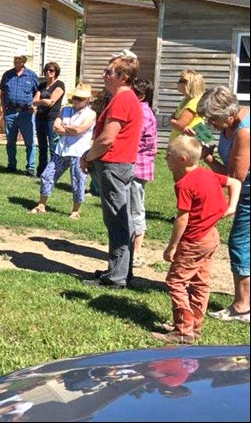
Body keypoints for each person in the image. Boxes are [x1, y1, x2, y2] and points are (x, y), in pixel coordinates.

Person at [150, 136, 240, 344]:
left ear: (181, 159)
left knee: (176, 281)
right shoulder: (206, 174)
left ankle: (183, 331)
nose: (165, 159)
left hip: (194, 240)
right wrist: (232, 206)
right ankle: (194, 327)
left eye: (168, 156)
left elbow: (182, 219)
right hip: (211, 236)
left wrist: (172, 247)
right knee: (200, 282)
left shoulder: (184, 184)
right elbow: (234, 182)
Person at [81, 54, 142, 289]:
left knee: (117, 221)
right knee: (121, 220)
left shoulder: (122, 100)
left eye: (109, 72)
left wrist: (87, 156)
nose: (104, 75)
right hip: (119, 165)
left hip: (115, 165)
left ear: (123, 77)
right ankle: (120, 271)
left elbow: (107, 138)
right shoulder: (124, 98)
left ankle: (116, 277)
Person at [197, 86, 250, 324]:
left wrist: (207, 158)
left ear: (229, 114)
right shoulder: (229, 125)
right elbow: (212, 141)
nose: (210, 124)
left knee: (240, 244)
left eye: (213, 120)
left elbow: (235, 178)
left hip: (247, 194)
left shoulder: (244, 132)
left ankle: (243, 307)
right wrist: (203, 142)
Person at [28, 83, 96, 219]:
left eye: (80, 98)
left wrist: (66, 128)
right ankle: (41, 205)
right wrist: (71, 128)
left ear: (87, 100)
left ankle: (75, 211)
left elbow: (80, 130)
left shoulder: (91, 114)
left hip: (79, 152)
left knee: (78, 180)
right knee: (47, 175)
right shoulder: (65, 110)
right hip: (61, 150)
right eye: (75, 97)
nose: (76, 100)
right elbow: (55, 127)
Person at [130, 78, 158, 268]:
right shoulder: (140, 110)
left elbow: (132, 138)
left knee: (136, 209)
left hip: (137, 166)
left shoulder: (142, 113)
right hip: (134, 165)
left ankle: (136, 253)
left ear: (140, 95)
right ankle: (129, 249)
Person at [0, 50, 40, 177]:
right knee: (10, 141)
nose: (16, 62)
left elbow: (38, 91)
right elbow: (2, 93)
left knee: (29, 142)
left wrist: (34, 104)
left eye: (19, 60)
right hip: (10, 112)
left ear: (24, 61)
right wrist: (4, 110)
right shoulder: (7, 75)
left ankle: (31, 167)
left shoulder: (31, 75)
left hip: (26, 113)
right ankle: (11, 166)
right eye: (15, 59)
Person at [33, 61, 66, 176]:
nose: (48, 72)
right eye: (46, 70)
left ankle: (53, 172)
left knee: (53, 146)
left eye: (51, 70)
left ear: (56, 72)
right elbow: (34, 101)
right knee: (42, 146)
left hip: (51, 119)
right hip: (39, 118)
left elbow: (51, 102)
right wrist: (42, 101)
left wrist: (41, 101)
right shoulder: (41, 85)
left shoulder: (59, 85)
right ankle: (41, 171)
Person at [169, 69, 205, 141]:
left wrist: (171, 121)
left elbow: (180, 125)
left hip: (187, 144)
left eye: (180, 81)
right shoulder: (186, 100)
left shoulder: (194, 103)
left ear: (188, 84)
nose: (177, 83)